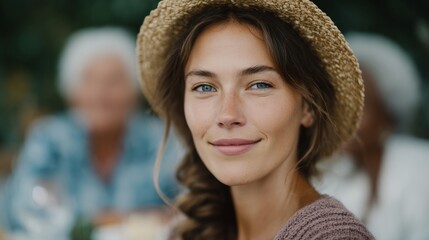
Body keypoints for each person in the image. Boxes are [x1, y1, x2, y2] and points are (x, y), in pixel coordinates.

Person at [136, 1, 374, 239]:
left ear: (308, 107)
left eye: (259, 85)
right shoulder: (191, 230)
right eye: (205, 87)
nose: (227, 115)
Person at [4, 27, 182, 238]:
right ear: (72, 92)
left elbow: (190, 206)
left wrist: (102, 220)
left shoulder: (160, 138)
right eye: (89, 80)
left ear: (135, 91)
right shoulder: (49, 138)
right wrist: (126, 219)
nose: (101, 93)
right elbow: (26, 211)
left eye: (114, 81)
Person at [313, 33, 429, 240]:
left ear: (388, 119)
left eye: (360, 108)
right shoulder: (337, 174)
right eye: (338, 106)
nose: (343, 120)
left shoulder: (420, 165)